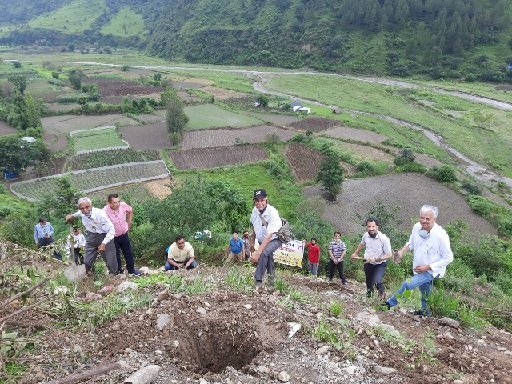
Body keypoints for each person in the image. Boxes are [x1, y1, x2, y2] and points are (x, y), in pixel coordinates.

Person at [385, 205, 453, 316]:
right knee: (425, 291)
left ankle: (389, 304)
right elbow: (411, 243)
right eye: (422, 217)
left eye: (427, 219)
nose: (424, 221)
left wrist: (427, 267)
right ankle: (426, 312)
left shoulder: (441, 236)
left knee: (408, 284)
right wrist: (402, 251)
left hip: (431, 270)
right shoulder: (417, 227)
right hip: (418, 267)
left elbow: (448, 257)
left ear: (434, 219)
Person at [65, 197, 118, 275]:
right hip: (92, 236)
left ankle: (114, 275)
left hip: (105, 236)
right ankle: (92, 274)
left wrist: (103, 243)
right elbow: (77, 213)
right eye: (82, 208)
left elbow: (111, 230)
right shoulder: (81, 212)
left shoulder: (100, 214)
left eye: (87, 207)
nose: (85, 210)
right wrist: (71, 216)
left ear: (91, 205)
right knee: (87, 260)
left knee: (109, 259)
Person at [249, 189, 283, 291]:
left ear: (266, 200)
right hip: (262, 239)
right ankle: (271, 281)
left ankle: (258, 281)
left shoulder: (272, 212)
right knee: (268, 258)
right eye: (257, 200)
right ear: (254, 201)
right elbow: (253, 226)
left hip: (275, 238)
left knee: (264, 253)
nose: (259, 203)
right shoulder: (254, 211)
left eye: (262, 200)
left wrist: (257, 253)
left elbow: (269, 236)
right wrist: (252, 242)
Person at [351, 217, 392, 299]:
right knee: (369, 282)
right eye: (369, 227)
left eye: (373, 226)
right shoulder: (366, 235)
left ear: (377, 227)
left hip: (380, 264)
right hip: (368, 262)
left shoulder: (384, 239)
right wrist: (355, 253)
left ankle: (382, 298)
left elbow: (389, 255)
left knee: (377, 281)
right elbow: (361, 244)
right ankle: (369, 298)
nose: (371, 229)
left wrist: (377, 259)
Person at [103, 194, 141, 276]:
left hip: (124, 234)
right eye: (115, 202)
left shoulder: (123, 205)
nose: (117, 204)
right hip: (113, 237)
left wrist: (129, 223)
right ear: (109, 203)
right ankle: (119, 272)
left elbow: (130, 210)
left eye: (118, 201)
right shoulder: (104, 211)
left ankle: (131, 270)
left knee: (128, 253)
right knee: (116, 255)